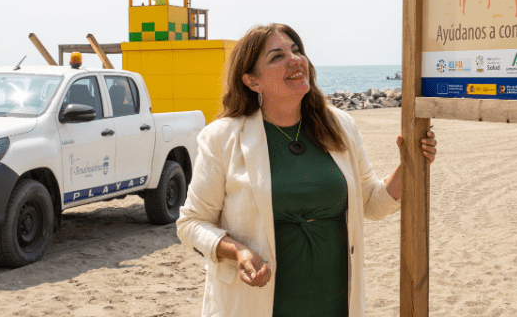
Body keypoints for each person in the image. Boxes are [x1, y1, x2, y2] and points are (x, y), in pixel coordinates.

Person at [176, 24, 437, 317]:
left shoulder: (341, 126)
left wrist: (409, 165)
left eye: (296, 50)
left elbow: (372, 203)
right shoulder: (222, 138)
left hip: (335, 302)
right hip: (255, 304)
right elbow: (191, 223)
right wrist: (237, 250)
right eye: (277, 56)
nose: (295, 59)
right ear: (252, 81)